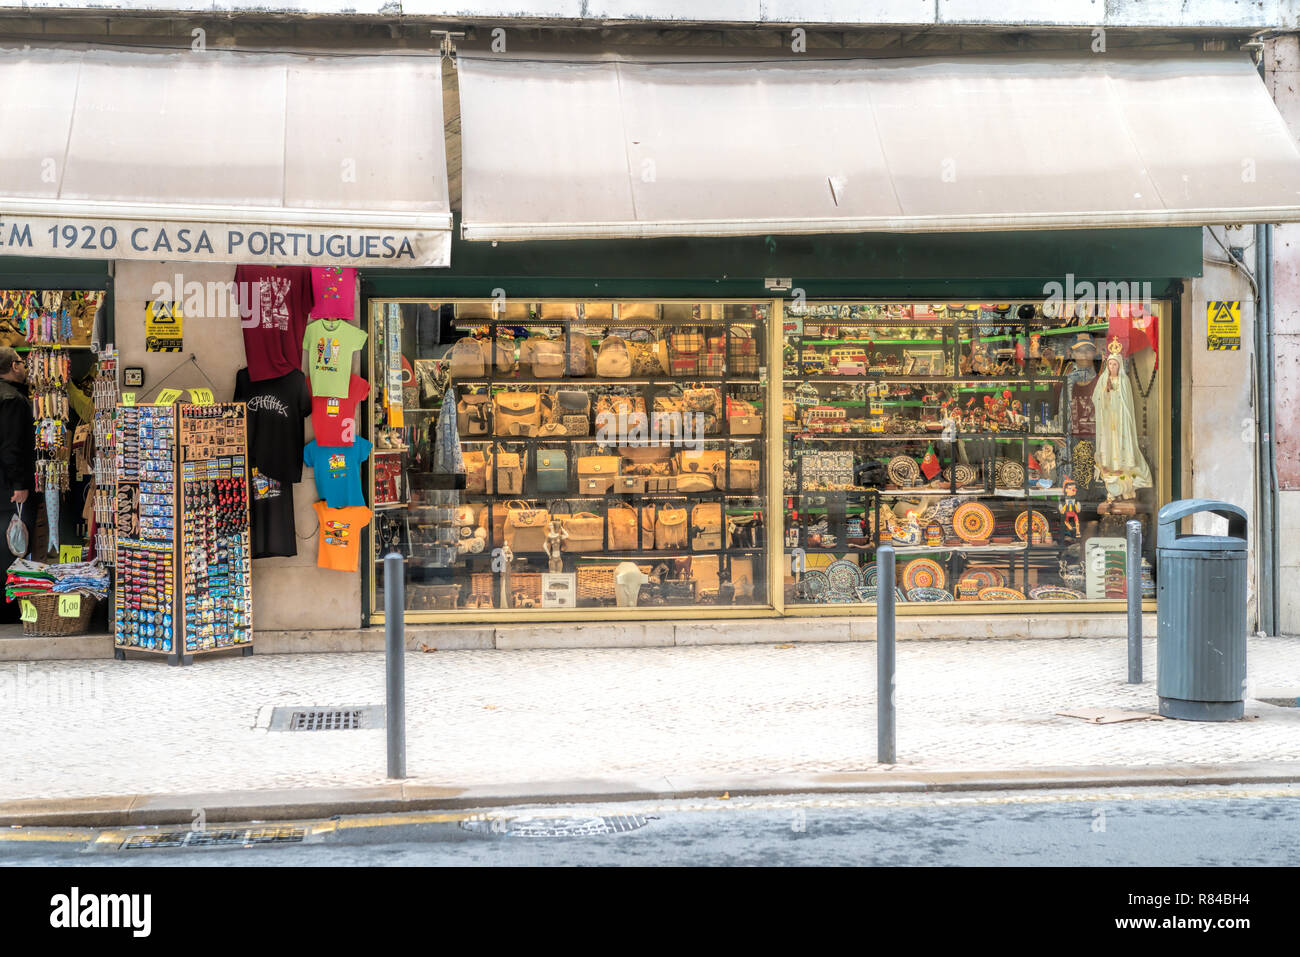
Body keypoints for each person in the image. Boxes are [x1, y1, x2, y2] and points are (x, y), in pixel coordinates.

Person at [0, 348, 35, 623]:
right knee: (13, 546)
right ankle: (10, 609)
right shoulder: (13, 400)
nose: (25, 368)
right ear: (14, 365)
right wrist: (20, 484)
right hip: (9, 491)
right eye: (23, 363)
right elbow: (12, 447)